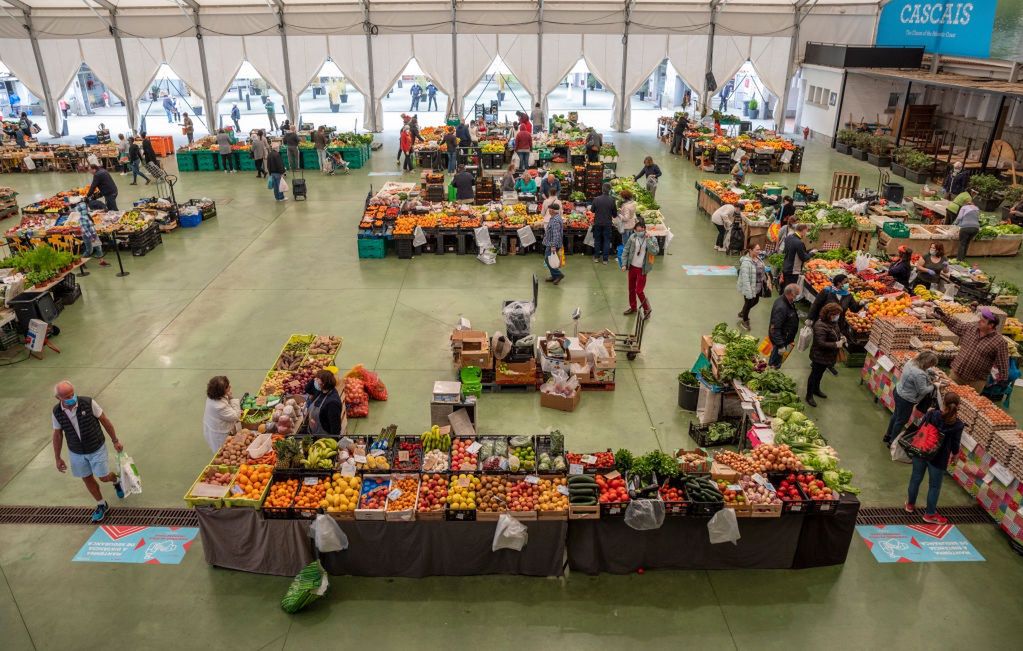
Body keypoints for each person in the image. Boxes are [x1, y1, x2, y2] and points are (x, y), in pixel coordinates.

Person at [51, 380, 124, 523]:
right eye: (67, 396)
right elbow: (57, 434)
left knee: (103, 477)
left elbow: (104, 420)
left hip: (96, 447)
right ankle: (101, 504)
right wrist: (57, 458)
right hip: (76, 451)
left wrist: (115, 440)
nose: (72, 398)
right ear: (58, 398)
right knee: (86, 477)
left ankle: (116, 480)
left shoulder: (88, 403)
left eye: (72, 394)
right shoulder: (56, 412)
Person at [905, 394, 963, 524]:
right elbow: (955, 443)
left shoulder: (933, 414)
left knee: (915, 478)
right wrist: (955, 455)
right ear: (958, 406)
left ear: (943, 403)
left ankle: (910, 504)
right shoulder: (958, 425)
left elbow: (921, 428)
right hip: (939, 458)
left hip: (922, 450)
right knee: (934, 486)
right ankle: (929, 514)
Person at [935, 305, 1009, 392]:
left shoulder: (999, 342)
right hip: (956, 374)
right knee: (948, 395)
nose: (979, 321)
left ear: (991, 325)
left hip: (975, 381)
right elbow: (956, 324)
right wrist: (943, 316)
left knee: (968, 403)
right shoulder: (971, 329)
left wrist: (1003, 380)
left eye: (983, 321)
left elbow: (1003, 363)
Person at [884, 351, 939, 445]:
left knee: (896, 415)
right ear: (926, 362)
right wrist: (934, 386)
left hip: (898, 391)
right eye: (931, 364)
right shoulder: (919, 374)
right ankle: (892, 442)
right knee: (901, 421)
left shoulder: (912, 362)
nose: (930, 366)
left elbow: (924, 370)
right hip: (906, 399)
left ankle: (888, 435)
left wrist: (932, 372)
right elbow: (923, 390)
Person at [806, 302, 845, 407]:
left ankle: (816, 389)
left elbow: (836, 331)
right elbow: (820, 343)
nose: (838, 317)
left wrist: (841, 337)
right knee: (814, 375)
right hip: (819, 356)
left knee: (820, 374)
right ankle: (809, 396)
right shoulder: (820, 325)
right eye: (836, 314)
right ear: (830, 314)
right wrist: (836, 344)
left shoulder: (832, 322)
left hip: (827, 356)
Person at [621, 219, 659, 318]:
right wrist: (624, 264)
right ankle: (633, 307)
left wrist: (648, 240)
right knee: (631, 289)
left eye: (641, 230)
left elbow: (655, 251)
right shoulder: (633, 237)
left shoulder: (652, 238)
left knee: (639, 291)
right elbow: (626, 250)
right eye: (637, 231)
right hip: (632, 267)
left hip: (642, 269)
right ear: (634, 230)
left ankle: (647, 309)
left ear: (644, 229)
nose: (639, 232)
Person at [203, 375, 240, 453]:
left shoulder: (213, 396)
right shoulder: (219, 406)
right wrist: (232, 398)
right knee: (224, 451)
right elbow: (236, 416)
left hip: (214, 424)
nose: (230, 386)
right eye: (227, 387)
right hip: (219, 433)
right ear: (221, 391)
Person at [768, 284, 801, 368]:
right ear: (790, 294)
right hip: (781, 340)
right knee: (775, 361)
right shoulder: (781, 307)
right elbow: (775, 328)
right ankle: (772, 369)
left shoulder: (788, 302)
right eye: (796, 294)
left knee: (778, 358)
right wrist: (780, 345)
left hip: (785, 338)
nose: (797, 297)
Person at [736, 244, 766, 331]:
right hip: (750, 286)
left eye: (759, 249)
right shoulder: (746, 263)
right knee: (748, 303)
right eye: (757, 250)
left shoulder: (758, 258)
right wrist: (748, 291)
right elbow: (745, 279)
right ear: (750, 250)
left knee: (755, 301)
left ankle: (743, 312)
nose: (759, 251)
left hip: (758, 286)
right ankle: (745, 320)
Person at [306, 370, 343, 435]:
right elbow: (307, 389)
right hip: (314, 431)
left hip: (323, 436)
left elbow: (335, 426)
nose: (315, 380)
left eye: (317, 379)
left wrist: (333, 441)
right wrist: (314, 378)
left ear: (323, 383)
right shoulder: (321, 390)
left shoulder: (332, 403)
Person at [591, 183, 617, 264]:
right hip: (607, 223)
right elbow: (614, 214)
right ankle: (605, 259)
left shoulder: (596, 199)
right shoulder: (612, 200)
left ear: (602, 189)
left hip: (598, 223)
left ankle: (596, 257)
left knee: (597, 240)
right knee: (607, 240)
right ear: (609, 190)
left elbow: (592, 210)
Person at [76, 202, 109, 267]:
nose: (88, 208)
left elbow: (91, 225)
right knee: (89, 251)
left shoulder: (87, 215)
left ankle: (101, 261)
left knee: (99, 248)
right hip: (88, 236)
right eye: (86, 207)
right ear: (84, 209)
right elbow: (85, 230)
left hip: (93, 234)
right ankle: (81, 262)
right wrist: (91, 238)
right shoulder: (82, 218)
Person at [953, 193, 981, 259]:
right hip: (976, 228)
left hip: (966, 228)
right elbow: (978, 218)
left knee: (962, 243)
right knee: (967, 243)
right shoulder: (977, 208)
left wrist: (955, 224)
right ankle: (963, 257)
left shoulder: (964, 207)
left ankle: (959, 259)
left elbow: (959, 217)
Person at [543, 201, 565, 285]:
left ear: (552, 210)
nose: (548, 210)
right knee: (548, 259)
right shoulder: (554, 217)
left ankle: (558, 275)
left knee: (548, 260)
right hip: (551, 243)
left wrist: (553, 246)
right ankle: (554, 275)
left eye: (549, 209)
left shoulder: (555, 220)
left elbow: (556, 235)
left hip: (552, 244)